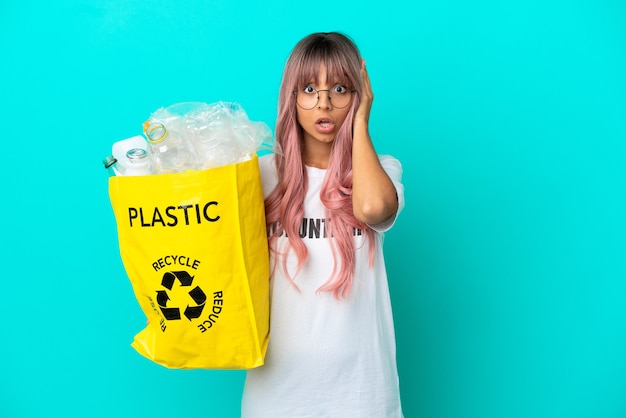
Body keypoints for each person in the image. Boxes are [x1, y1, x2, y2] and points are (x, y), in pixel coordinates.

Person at [241, 32, 405, 418]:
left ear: (358, 96)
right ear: (291, 97)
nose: (324, 103)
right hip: (275, 395)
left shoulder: (384, 171)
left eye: (340, 88)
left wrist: (361, 123)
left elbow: (371, 208)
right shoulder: (257, 177)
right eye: (309, 88)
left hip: (362, 395)